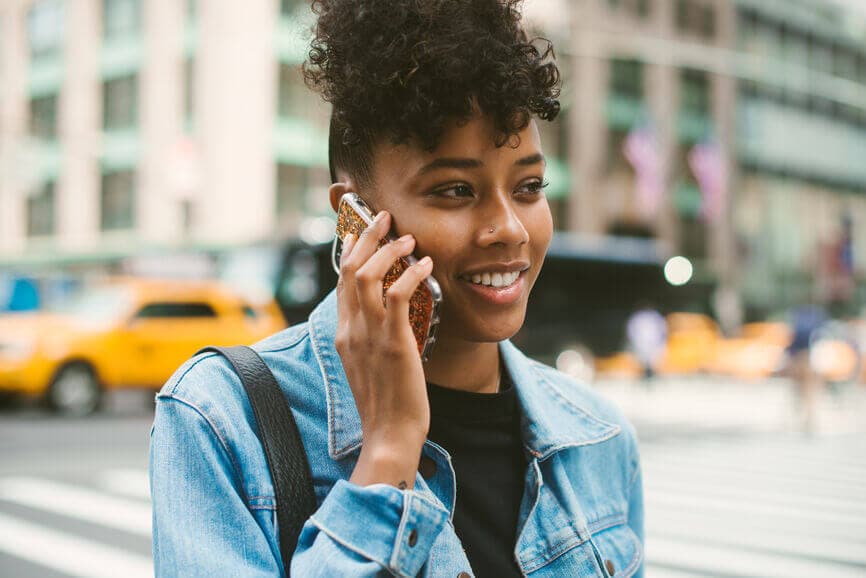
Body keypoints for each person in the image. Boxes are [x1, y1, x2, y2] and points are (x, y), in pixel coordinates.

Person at [149, 1, 645, 576]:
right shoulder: (220, 418)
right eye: (456, 190)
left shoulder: (599, 439)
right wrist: (387, 451)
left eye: (530, 186)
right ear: (353, 217)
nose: (510, 228)